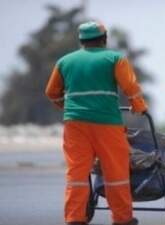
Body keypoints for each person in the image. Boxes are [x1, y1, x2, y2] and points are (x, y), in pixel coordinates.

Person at [45, 21, 147, 225]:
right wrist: (139, 106)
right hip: (106, 123)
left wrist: (66, 106)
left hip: (75, 124)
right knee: (116, 172)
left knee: (77, 174)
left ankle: (75, 218)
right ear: (104, 38)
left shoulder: (65, 61)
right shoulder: (114, 58)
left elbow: (51, 92)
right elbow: (130, 86)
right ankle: (122, 219)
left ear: (81, 40)